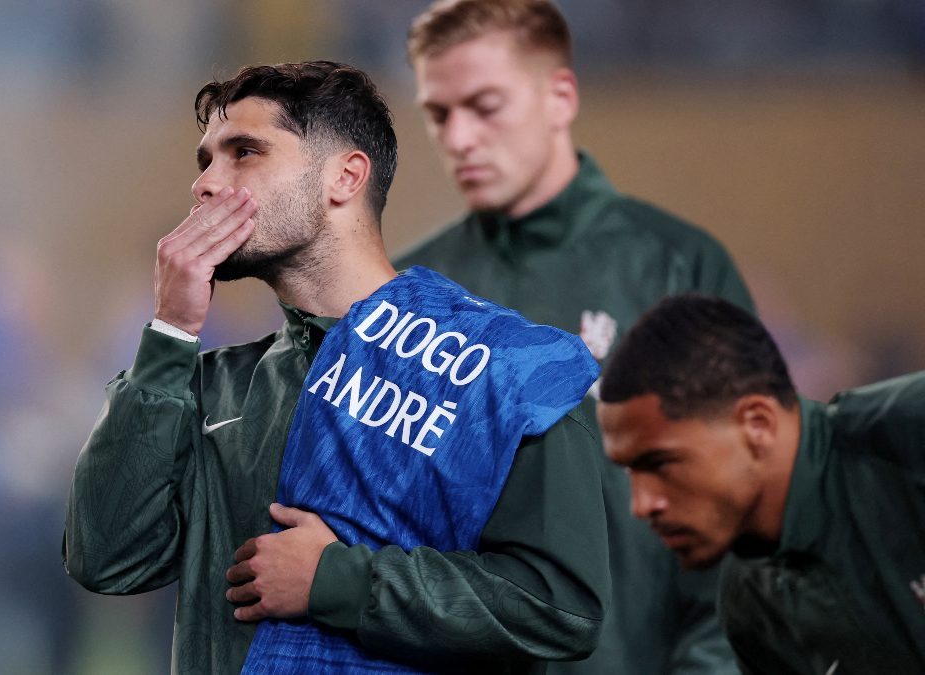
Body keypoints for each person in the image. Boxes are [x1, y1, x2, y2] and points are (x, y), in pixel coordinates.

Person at [63, 61, 612, 673]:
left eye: (244, 151)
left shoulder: (501, 365)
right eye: (205, 161)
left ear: (345, 177)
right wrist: (170, 330)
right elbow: (108, 558)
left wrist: (338, 580)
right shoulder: (212, 385)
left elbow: (559, 607)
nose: (207, 185)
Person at [396, 1, 752, 673]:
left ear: (560, 97)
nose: (460, 137)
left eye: (485, 105)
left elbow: (746, 516)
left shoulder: (679, 267)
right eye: (439, 114)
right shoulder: (414, 296)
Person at [596, 294, 925, 674]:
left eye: (662, 463)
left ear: (758, 424)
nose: (642, 504)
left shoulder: (909, 434)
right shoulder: (751, 606)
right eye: (629, 471)